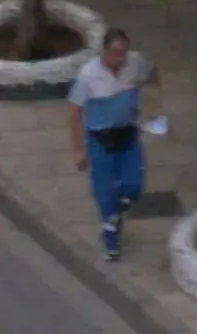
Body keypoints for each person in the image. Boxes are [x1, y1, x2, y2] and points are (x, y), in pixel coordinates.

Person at [69, 28, 163, 262]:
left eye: (123, 52)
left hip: (128, 132)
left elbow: (153, 75)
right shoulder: (88, 75)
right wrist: (78, 150)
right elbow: (74, 112)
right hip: (100, 138)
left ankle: (118, 209)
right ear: (104, 51)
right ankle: (110, 233)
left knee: (134, 186)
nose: (119, 58)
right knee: (104, 188)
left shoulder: (136, 63)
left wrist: (152, 105)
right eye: (114, 53)